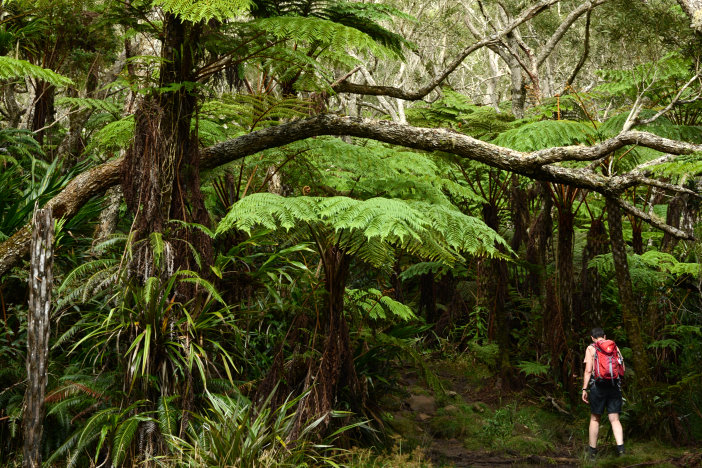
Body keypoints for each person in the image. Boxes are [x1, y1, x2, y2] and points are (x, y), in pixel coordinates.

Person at [582, 327, 625, 459]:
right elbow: (622, 367)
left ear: (592, 338)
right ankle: (621, 451)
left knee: (595, 418)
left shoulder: (591, 348)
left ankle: (592, 453)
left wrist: (584, 389)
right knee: (615, 419)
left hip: (597, 386)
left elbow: (588, 370)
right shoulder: (614, 347)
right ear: (604, 336)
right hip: (613, 386)